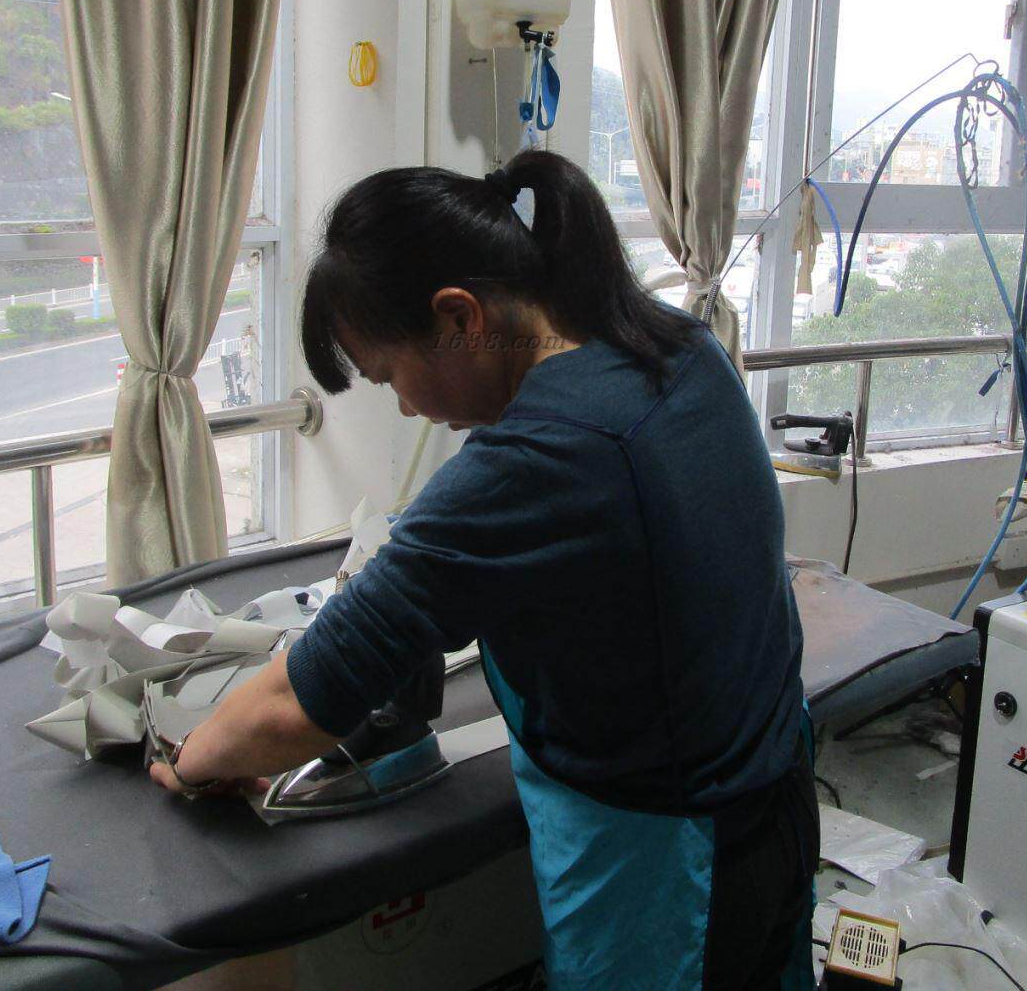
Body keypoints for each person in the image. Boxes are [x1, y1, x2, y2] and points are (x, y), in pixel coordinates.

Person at [150, 150, 817, 989]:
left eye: (391, 375)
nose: (405, 405)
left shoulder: (543, 456)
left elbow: (300, 698)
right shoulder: (676, 343)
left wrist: (194, 758)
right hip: (776, 789)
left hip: (673, 862)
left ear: (459, 317)